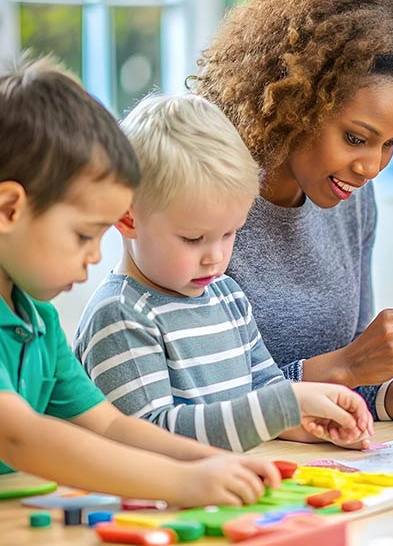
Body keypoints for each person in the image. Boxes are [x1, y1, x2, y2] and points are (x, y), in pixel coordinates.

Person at [191, 0, 393, 433]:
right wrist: (346, 365)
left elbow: (351, 382)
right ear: (297, 106)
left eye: (391, 143)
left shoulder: (354, 200)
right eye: (356, 137)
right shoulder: (206, 198)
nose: (372, 167)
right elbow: (197, 401)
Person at [0, 58, 280, 506]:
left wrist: (208, 462)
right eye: (84, 235)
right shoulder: (113, 310)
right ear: (9, 209)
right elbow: (18, 438)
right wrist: (181, 484)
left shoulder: (39, 322)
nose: (95, 255)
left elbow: (110, 426)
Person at [74, 94, 373, 453]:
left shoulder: (226, 295)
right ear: (128, 218)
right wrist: (280, 408)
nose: (215, 257)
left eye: (229, 233)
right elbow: (150, 436)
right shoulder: (121, 315)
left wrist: (309, 420)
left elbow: (264, 390)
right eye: (193, 238)